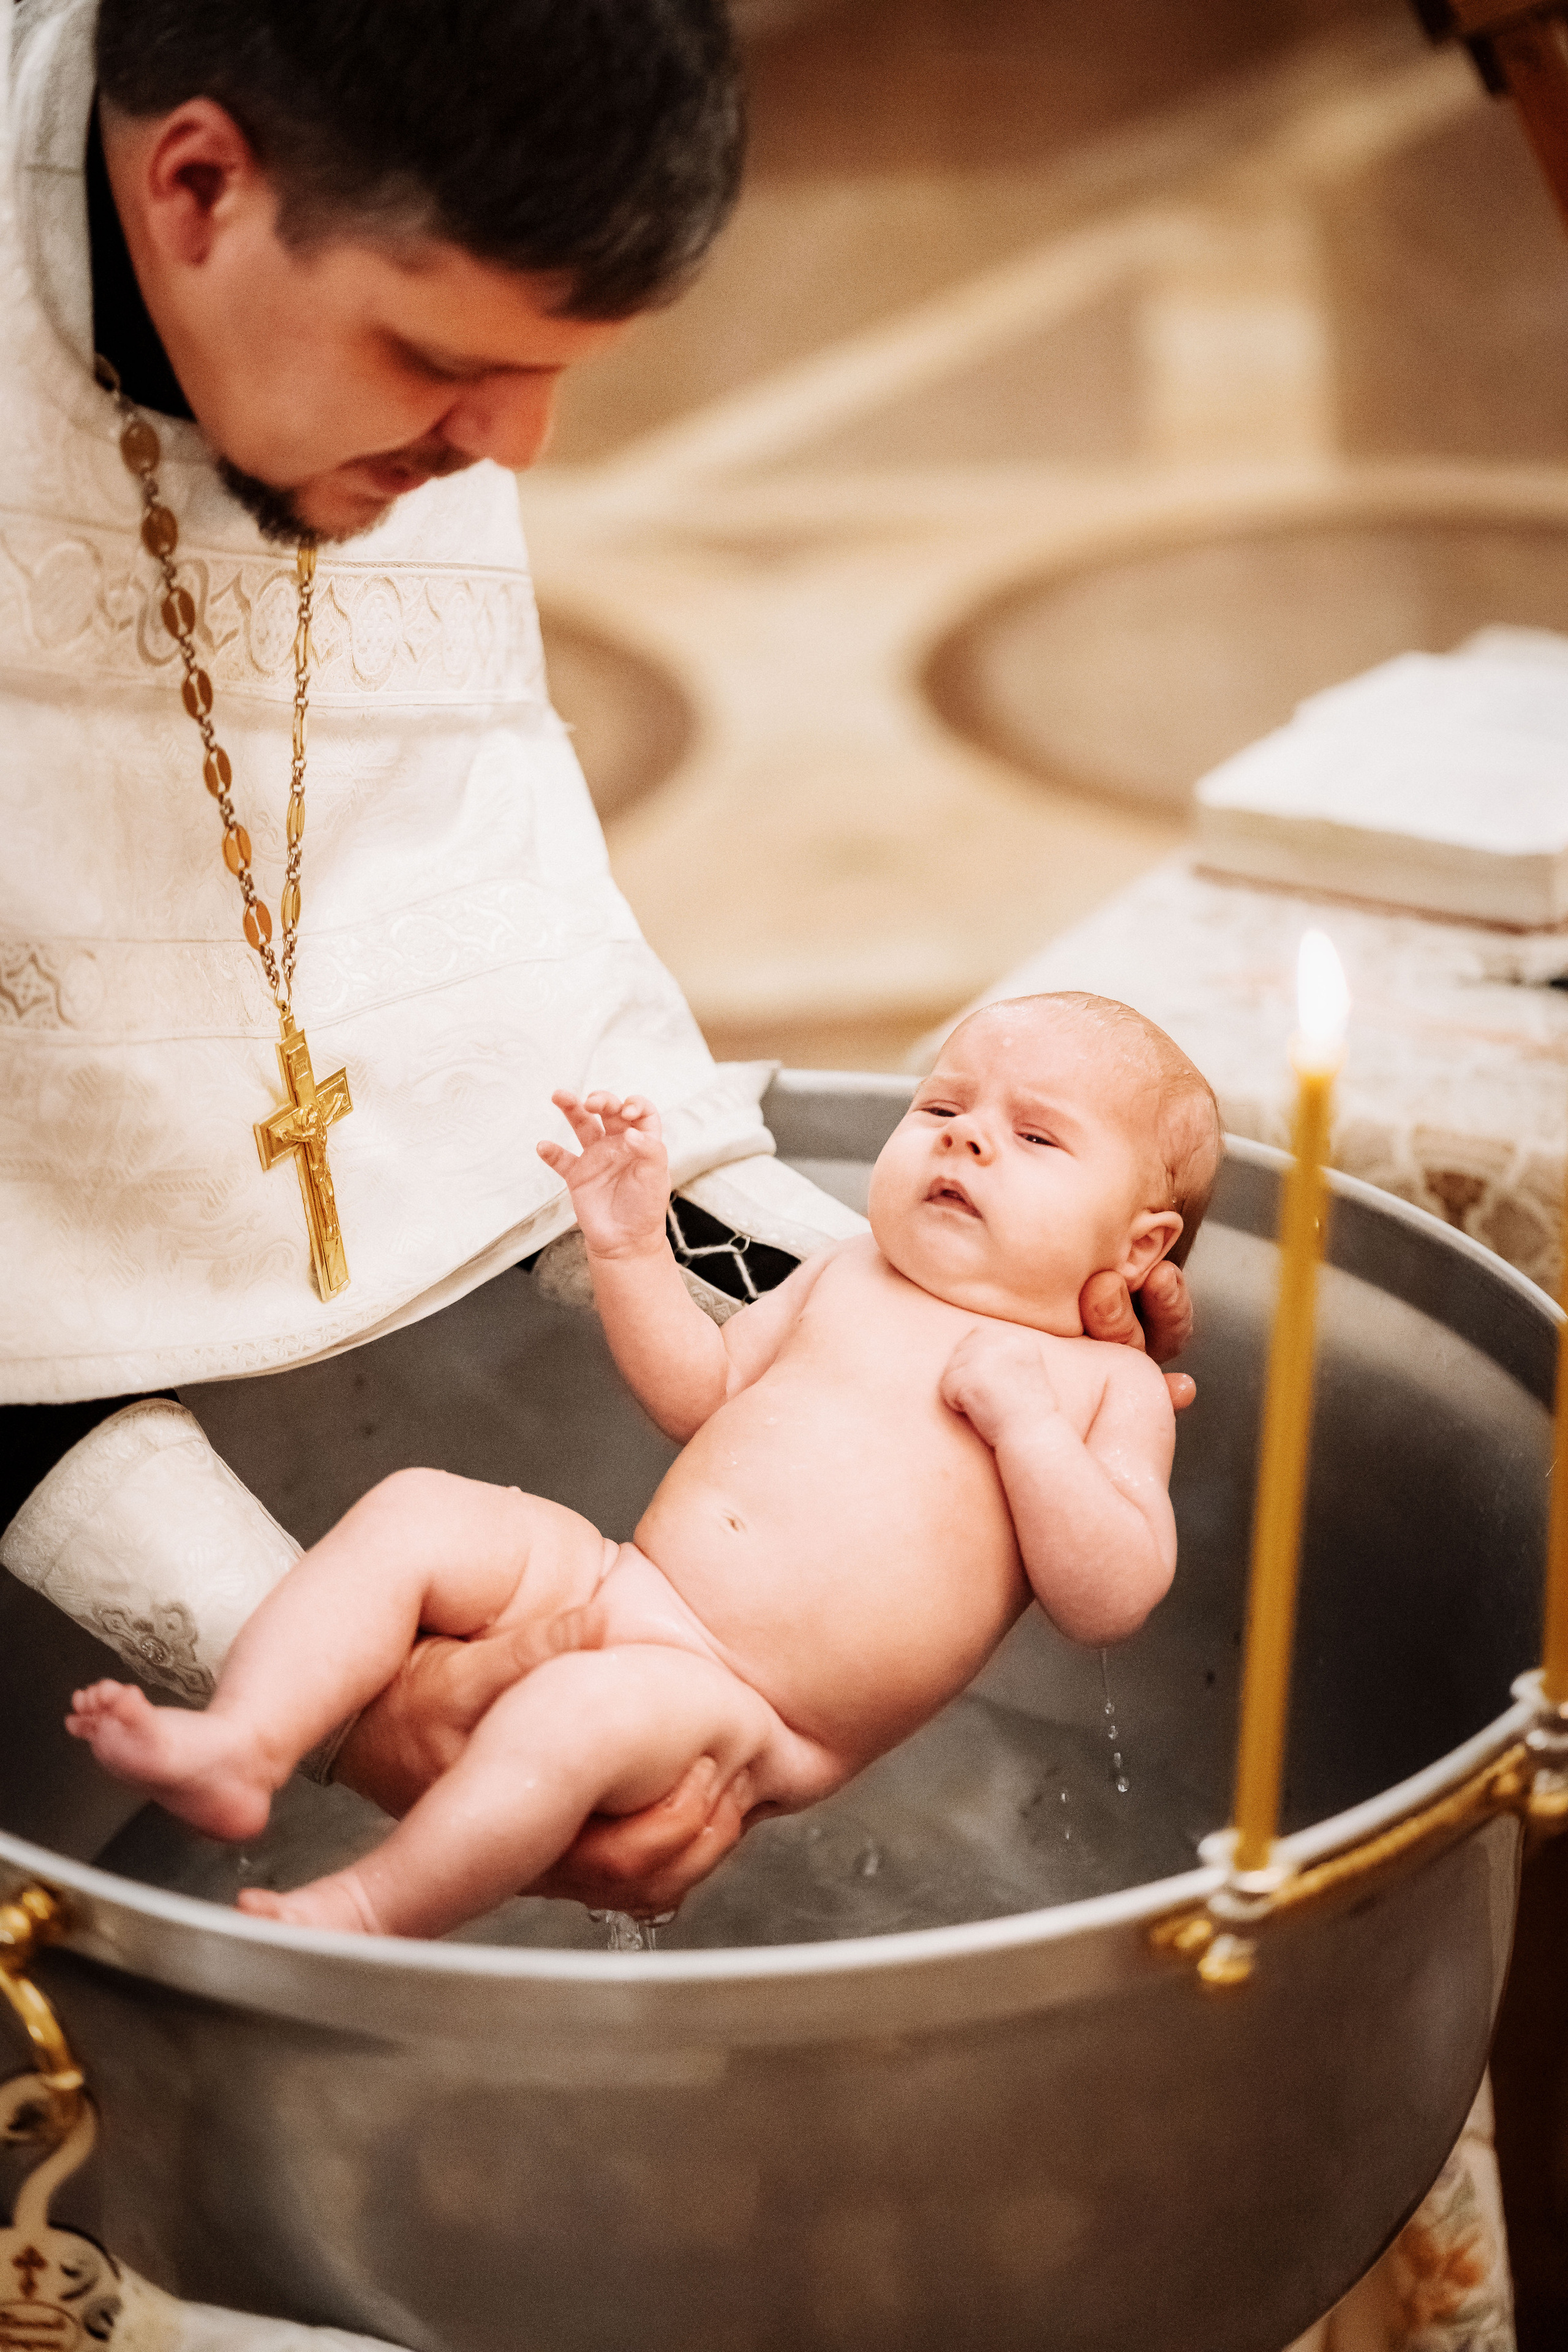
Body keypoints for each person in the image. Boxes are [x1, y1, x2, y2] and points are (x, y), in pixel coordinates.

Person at [1, 0, 1195, 1920]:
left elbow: (532, 1007)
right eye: (447, 358)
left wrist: (963, 1321)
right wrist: (327, 1683)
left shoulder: (412, 409)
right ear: (198, 182)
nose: (516, 453)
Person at [67, 993, 1222, 1939]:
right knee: (418, 1511)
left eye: (1035, 1136)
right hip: (627, 1581)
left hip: (745, 1703)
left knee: (576, 1709)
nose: (967, 1136)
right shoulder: (846, 1273)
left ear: (1139, 1245)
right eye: (942, 1105)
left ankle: (366, 1906)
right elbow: (704, 1394)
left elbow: (1110, 1598)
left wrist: (1027, 1431)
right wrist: (626, 1247)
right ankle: (247, 1740)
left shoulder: (1106, 1386)